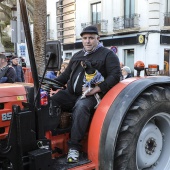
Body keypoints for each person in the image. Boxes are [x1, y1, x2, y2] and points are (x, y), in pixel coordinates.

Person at [51, 25, 121, 162]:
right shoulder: (77, 55)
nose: (88, 41)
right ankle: (49, 138)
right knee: (53, 100)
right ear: (82, 40)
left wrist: (96, 89)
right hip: (72, 94)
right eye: (85, 38)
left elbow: (115, 76)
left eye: (91, 38)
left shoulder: (108, 54)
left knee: (81, 106)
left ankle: (74, 148)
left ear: (97, 39)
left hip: (94, 96)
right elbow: (65, 76)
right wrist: (47, 83)